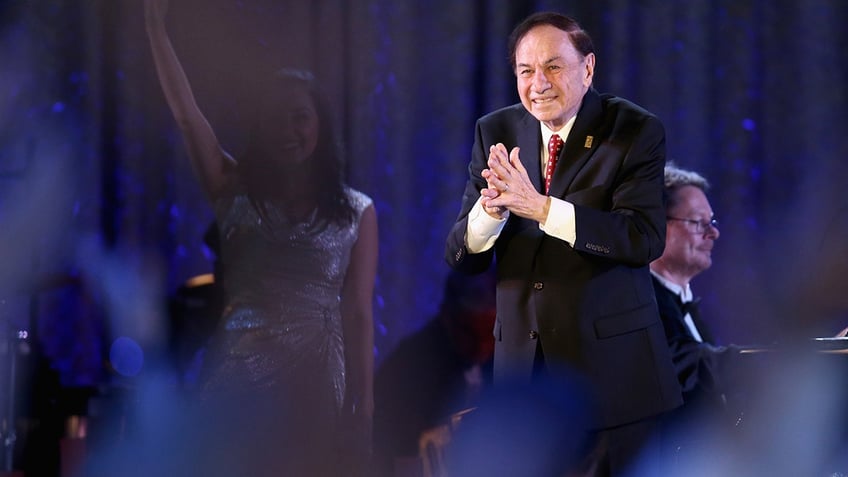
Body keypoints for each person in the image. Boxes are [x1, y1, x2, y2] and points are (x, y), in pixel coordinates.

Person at [144, 0, 378, 475]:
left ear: (319, 126)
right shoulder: (232, 190)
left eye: (299, 117)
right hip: (238, 378)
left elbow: (357, 312)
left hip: (316, 382)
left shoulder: (357, 211)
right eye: (275, 119)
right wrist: (155, 28)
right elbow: (189, 117)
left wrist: (364, 401)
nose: (288, 130)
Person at [444, 11, 681, 476]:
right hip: (526, 385)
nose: (539, 84)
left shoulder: (632, 130)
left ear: (587, 69)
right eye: (525, 71)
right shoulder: (495, 131)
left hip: (613, 382)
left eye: (553, 66)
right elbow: (462, 256)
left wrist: (542, 208)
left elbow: (642, 237)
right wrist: (489, 213)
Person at [371, 266, 496, 476]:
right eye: (472, 333)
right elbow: (401, 453)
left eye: (489, 333)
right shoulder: (413, 367)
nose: (482, 348)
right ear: (448, 316)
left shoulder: (500, 358)